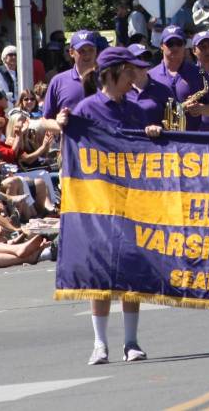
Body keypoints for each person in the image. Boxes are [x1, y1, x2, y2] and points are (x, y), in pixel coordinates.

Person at [53, 46, 163, 365]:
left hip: (132, 202)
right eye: (130, 72)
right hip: (96, 205)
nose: (135, 78)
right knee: (99, 275)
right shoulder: (86, 109)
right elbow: (68, 152)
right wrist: (62, 125)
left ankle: (131, 342)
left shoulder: (138, 110)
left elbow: (143, 152)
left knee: (131, 272)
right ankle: (100, 344)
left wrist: (152, 133)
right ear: (112, 73)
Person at [147, 26, 209, 131]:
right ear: (161, 46)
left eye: (179, 43)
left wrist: (201, 109)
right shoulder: (150, 75)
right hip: (161, 140)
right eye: (170, 44)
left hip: (191, 140)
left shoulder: (198, 72)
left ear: (185, 46)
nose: (174, 47)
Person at [44, 30, 99, 119]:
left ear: (96, 51)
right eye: (82, 51)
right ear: (71, 53)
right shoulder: (58, 81)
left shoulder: (107, 80)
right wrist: (58, 122)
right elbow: (46, 120)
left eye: (91, 50)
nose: (87, 55)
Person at [126, 44, 172, 126]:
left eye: (145, 57)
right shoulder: (120, 90)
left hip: (156, 138)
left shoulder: (163, 90)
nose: (142, 61)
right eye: (138, 58)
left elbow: (174, 124)